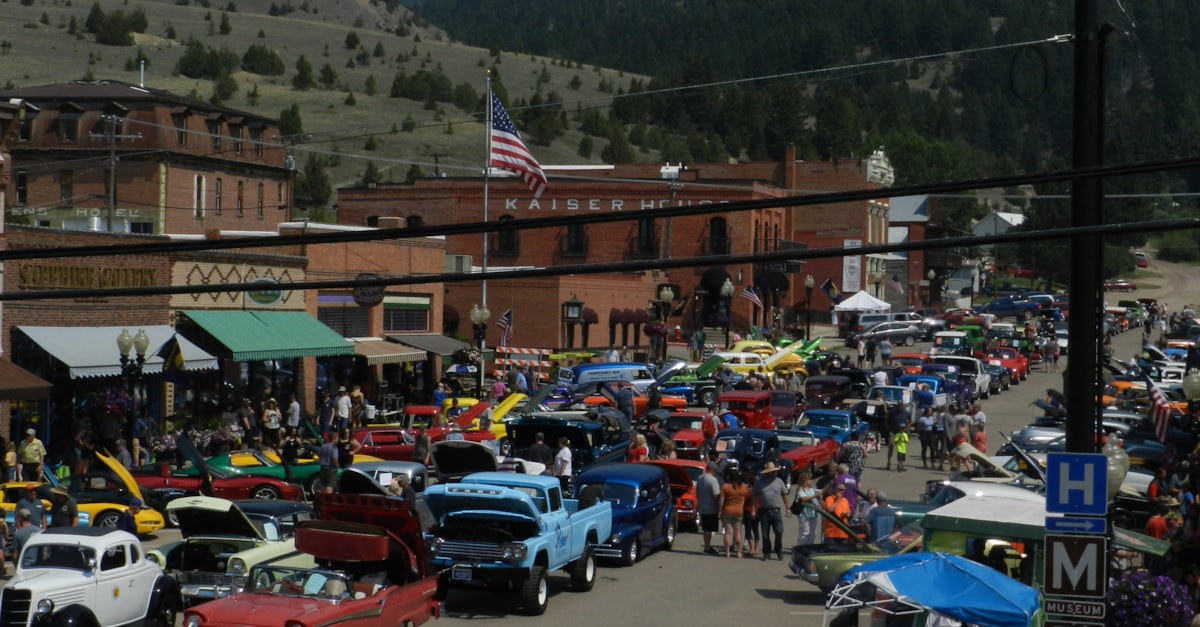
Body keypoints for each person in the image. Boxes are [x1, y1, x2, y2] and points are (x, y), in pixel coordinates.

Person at [754, 461, 790, 561]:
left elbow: (784, 495)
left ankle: (778, 549)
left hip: (776, 511)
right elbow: (754, 495)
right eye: (771, 472)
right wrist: (753, 508)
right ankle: (766, 552)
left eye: (774, 471)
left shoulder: (779, 481)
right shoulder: (759, 483)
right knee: (765, 534)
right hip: (764, 511)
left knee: (779, 531)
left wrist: (787, 507)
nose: (773, 473)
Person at [718, 469, 750, 558]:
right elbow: (747, 496)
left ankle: (727, 552)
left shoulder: (725, 486)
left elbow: (721, 500)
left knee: (728, 532)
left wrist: (720, 511)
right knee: (737, 533)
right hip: (739, 512)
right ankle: (739, 552)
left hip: (727, 511)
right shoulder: (743, 487)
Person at [696, 462, 722, 555]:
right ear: (713, 470)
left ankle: (707, 546)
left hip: (702, 506)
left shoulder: (700, 478)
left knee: (706, 529)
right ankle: (706, 548)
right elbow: (716, 495)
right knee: (708, 529)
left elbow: (697, 493)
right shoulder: (713, 480)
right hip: (711, 508)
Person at [792, 471, 821, 545]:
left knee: (812, 533)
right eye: (810, 479)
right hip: (804, 514)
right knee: (804, 533)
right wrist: (815, 496)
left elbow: (822, 491)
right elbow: (804, 498)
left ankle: (810, 549)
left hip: (813, 514)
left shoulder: (812, 489)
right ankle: (800, 549)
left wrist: (830, 484)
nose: (811, 480)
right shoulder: (800, 489)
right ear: (805, 480)